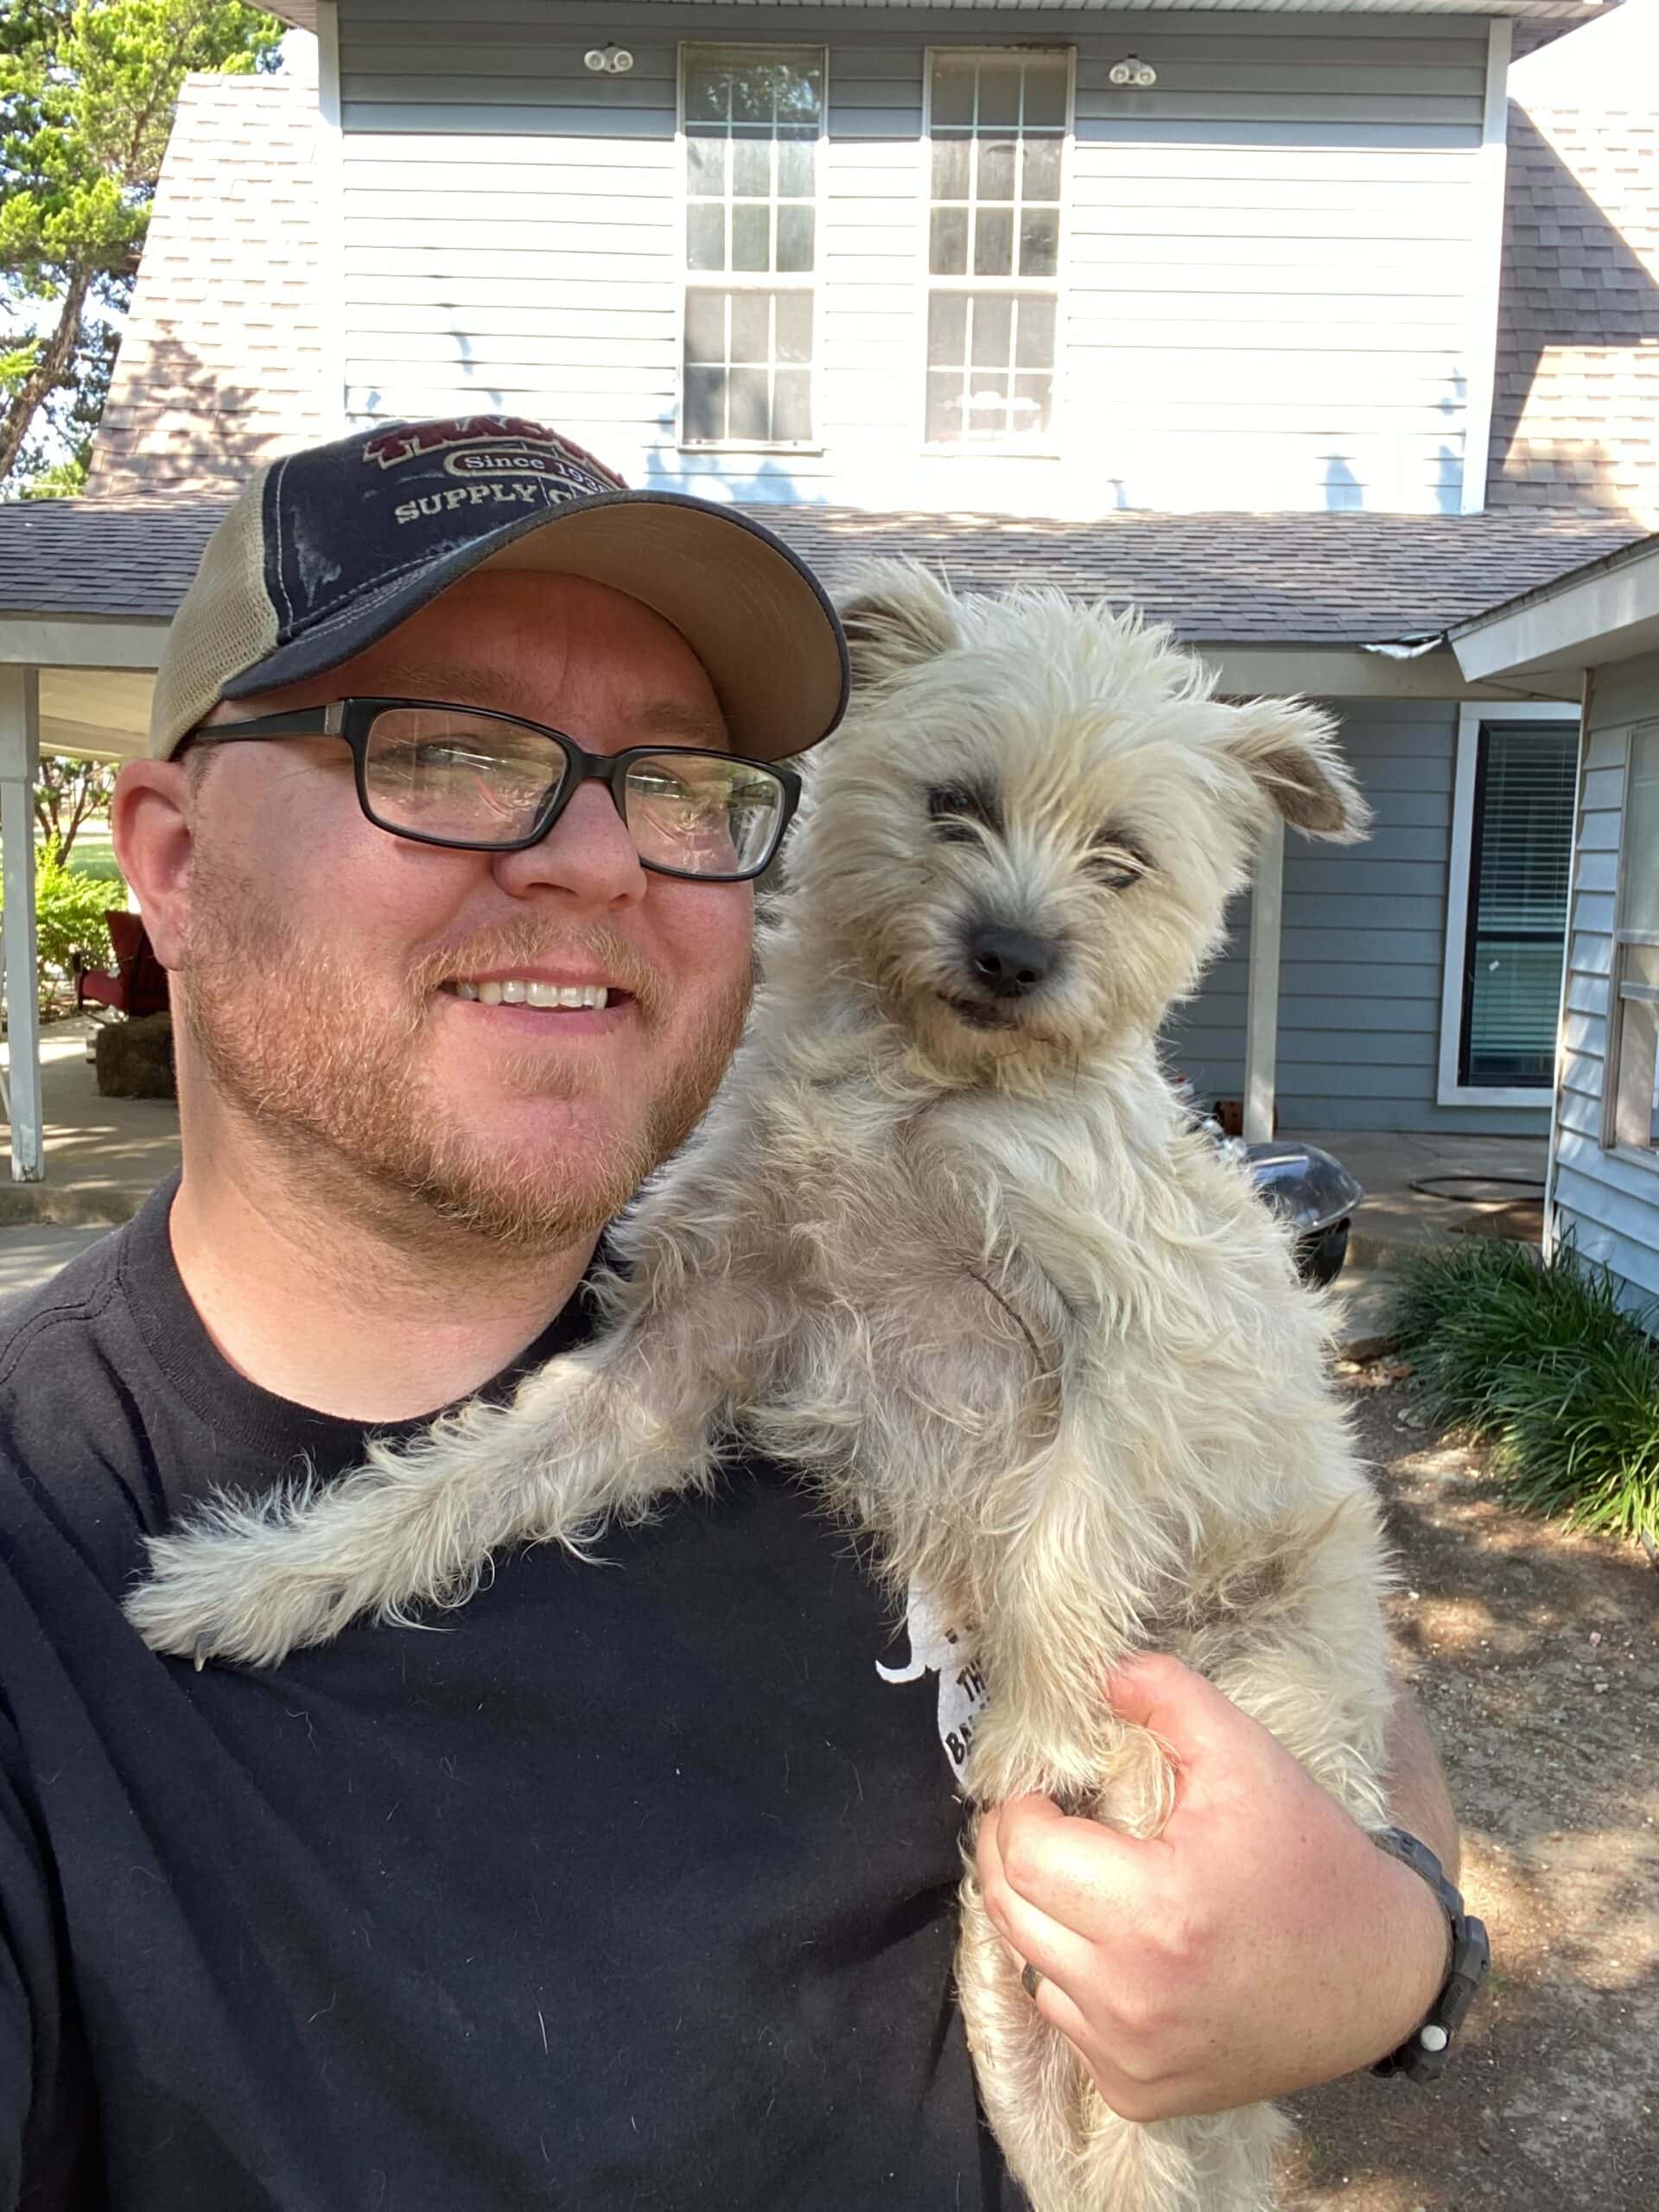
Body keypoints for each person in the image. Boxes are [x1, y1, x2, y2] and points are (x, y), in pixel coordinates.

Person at [0, 418, 1462, 2210]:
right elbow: (635, 1404)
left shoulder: (853, 1190)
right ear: (167, 862)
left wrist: (1404, 1948)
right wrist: (302, 1561)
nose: (597, 862)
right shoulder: (35, 1556)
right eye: (447, 754)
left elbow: (1283, 1546)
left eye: (679, 783)